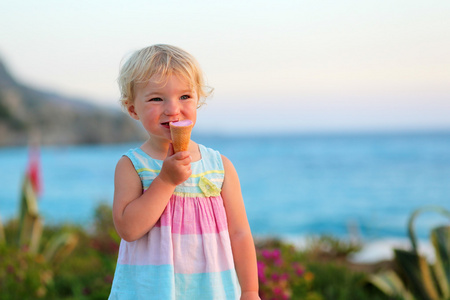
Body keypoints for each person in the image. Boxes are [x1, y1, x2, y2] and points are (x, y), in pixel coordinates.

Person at [109, 44, 260, 300]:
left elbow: (240, 233)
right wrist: (166, 181)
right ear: (133, 109)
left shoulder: (219, 166)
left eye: (185, 97)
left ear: (198, 99)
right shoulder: (132, 165)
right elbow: (128, 229)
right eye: (157, 98)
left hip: (212, 291)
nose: (172, 109)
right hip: (150, 291)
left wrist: (250, 291)